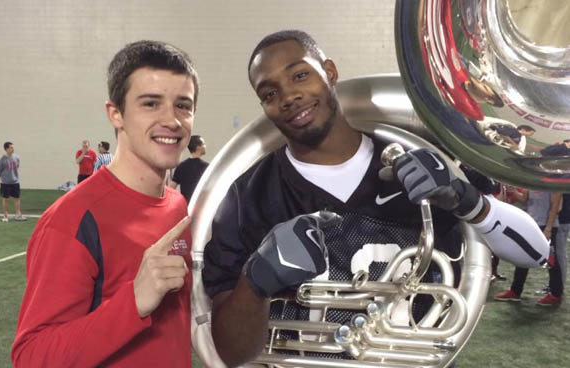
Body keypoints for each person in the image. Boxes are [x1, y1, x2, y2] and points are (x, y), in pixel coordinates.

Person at [201, 30, 550, 367]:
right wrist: (254, 282)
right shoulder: (246, 197)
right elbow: (232, 353)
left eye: (301, 75)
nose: (289, 96)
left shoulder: (422, 162)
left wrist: (468, 200)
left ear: (331, 72)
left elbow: (536, 252)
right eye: (269, 93)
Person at [12, 40, 200, 367]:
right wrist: (134, 301)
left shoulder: (177, 206)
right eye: (151, 103)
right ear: (116, 114)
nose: (172, 120)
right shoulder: (72, 219)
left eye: (183, 105)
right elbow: (31, 356)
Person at [494, 189, 564, 306]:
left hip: (545, 225)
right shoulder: (531, 180)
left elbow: (556, 206)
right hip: (531, 222)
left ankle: (556, 294)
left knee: (551, 260)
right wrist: (513, 191)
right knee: (523, 255)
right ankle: (515, 291)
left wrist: (548, 228)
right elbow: (524, 198)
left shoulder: (550, 181)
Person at [170, 135, 209, 201]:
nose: (205, 146)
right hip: (200, 206)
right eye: (203, 144)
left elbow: (171, 189)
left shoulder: (181, 166)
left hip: (185, 207)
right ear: (198, 147)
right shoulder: (206, 167)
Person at [0, 142, 27, 222]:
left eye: (13, 147)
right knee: (6, 199)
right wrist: (4, 178)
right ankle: (6, 215)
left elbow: (17, 166)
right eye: (11, 147)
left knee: (17, 198)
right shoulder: (2, 160)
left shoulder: (16, 157)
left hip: (15, 182)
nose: (13, 149)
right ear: (6, 149)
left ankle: (18, 214)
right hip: (5, 183)